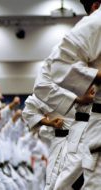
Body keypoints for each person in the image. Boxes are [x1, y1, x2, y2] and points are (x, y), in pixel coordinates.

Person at [33, 0, 101, 188]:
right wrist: (78, 96)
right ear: (96, 7)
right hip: (79, 128)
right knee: (60, 185)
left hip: (88, 128)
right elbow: (42, 86)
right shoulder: (82, 37)